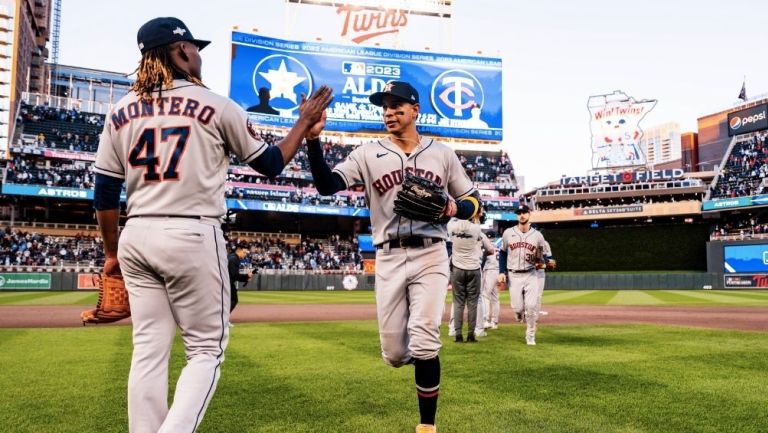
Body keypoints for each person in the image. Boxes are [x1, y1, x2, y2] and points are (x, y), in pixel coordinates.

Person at [92, 16, 332, 433]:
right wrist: (303, 121)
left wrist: (111, 253)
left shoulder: (119, 111)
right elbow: (271, 164)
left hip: (136, 234)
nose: (199, 54)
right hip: (190, 231)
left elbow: (104, 194)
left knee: (148, 350)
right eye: (195, 47)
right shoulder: (217, 105)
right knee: (205, 351)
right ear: (180, 50)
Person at [306, 80, 482, 433]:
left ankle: (427, 427)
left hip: (431, 253)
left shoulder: (442, 153)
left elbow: (477, 204)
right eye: (385, 106)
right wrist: (313, 140)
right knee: (396, 354)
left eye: (397, 105)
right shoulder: (368, 153)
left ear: (415, 110)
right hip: (387, 256)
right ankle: (410, 361)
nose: (389, 112)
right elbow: (327, 185)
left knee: (424, 337)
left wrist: (452, 206)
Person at [497, 205, 554, 346]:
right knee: (517, 308)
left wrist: (547, 262)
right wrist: (501, 272)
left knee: (531, 306)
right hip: (514, 275)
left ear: (529, 214)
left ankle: (530, 335)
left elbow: (540, 258)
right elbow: (503, 253)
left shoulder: (538, 236)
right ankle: (518, 313)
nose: (521, 215)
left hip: (531, 274)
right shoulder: (508, 233)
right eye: (519, 213)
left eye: (524, 213)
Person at [447, 210, 494, 343]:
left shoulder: (451, 226)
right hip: (473, 269)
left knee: (458, 303)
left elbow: (451, 219)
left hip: (457, 269)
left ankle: (457, 334)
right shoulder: (476, 228)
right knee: (473, 303)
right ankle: (471, 335)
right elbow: (489, 249)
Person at [481, 231, 501, 330]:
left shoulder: (486, 247)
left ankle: (485, 320)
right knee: (495, 298)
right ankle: (494, 322)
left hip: (490, 271)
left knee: (484, 295)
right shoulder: (499, 247)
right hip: (498, 272)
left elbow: (482, 260)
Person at [228, 243, 253, 315]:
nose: (245, 254)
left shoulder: (232, 257)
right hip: (227, 283)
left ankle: (224, 319)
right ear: (239, 250)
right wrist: (247, 276)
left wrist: (246, 278)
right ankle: (224, 319)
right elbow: (235, 275)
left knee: (229, 301)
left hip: (226, 282)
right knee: (234, 300)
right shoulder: (234, 259)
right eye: (244, 252)